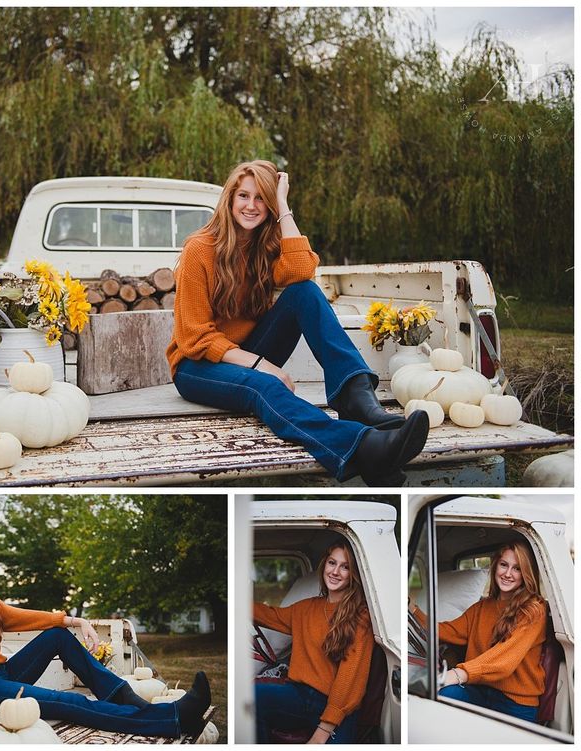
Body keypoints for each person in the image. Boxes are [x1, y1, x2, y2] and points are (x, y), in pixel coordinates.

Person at [166, 160, 429, 487]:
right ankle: (362, 447)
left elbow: (303, 270)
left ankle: (356, 397)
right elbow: (194, 337)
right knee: (263, 386)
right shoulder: (200, 249)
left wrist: (285, 205)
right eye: (244, 196)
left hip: (244, 351)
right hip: (196, 366)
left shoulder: (264, 245)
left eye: (261, 198)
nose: (251, 206)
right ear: (230, 199)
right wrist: (262, 365)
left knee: (304, 292)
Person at [0, 540, 210, 738]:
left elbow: (33, 617)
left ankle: (124, 695)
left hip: (3, 673)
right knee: (72, 703)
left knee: (57, 636)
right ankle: (170, 718)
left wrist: (80, 621)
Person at [409, 540, 546, 722]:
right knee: (444, 695)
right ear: (495, 565)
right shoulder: (482, 607)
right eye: (504, 565)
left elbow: (503, 661)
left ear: (526, 573)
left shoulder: (534, 609)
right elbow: (447, 631)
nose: (507, 574)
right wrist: (413, 610)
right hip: (480, 691)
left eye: (517, 568)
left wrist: (455, 674)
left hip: (515, 703)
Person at [253, 543, 374, 743]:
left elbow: (350, 680)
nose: (335, 572)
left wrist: (322, 732)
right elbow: (270, 615)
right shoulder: (306, 608)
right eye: (332, 563)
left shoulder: (361, 616)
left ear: (353, 573)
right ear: (324, 565)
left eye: (345, 567)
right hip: (298, 696)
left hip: (337, 706)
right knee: (249, 698)